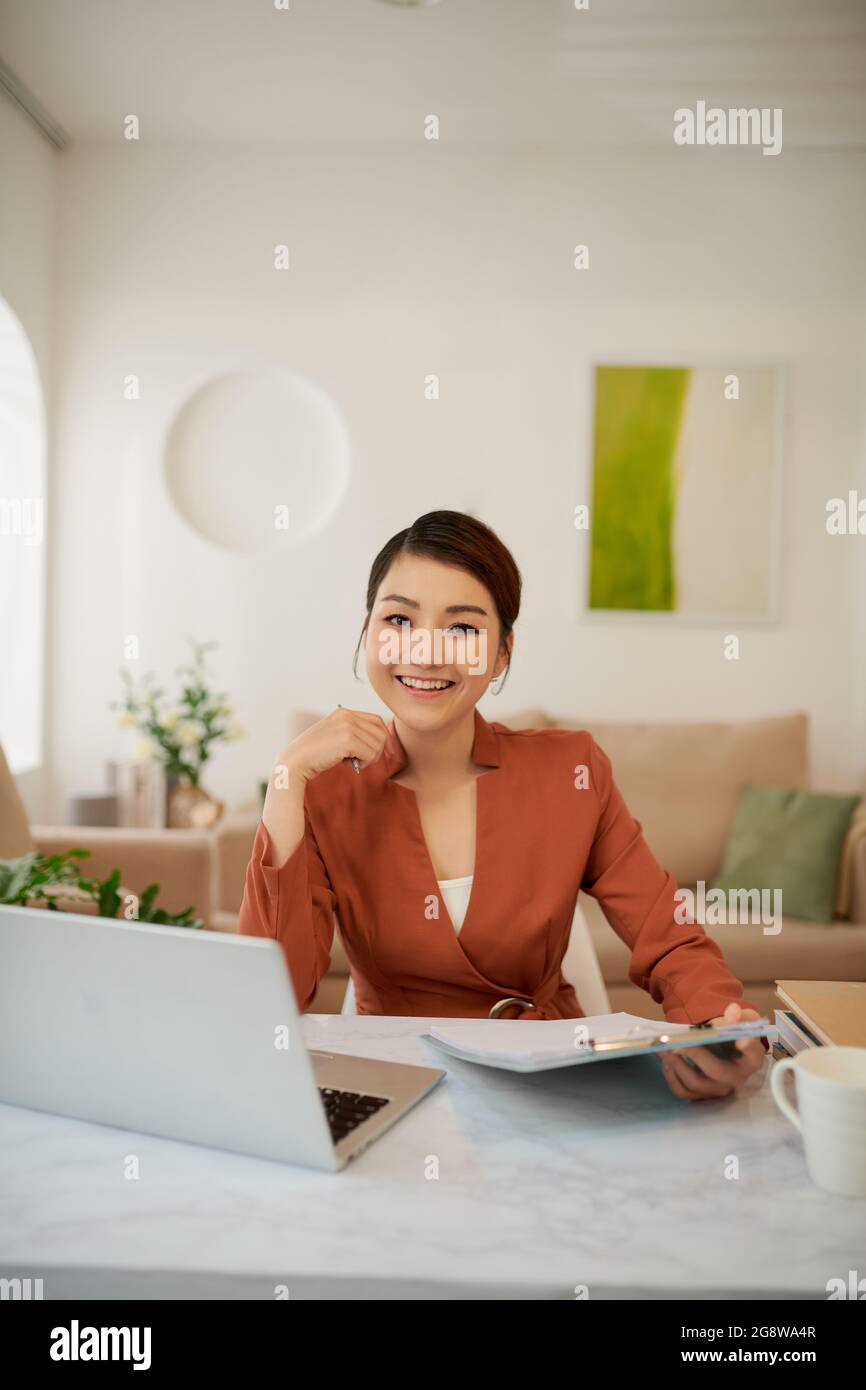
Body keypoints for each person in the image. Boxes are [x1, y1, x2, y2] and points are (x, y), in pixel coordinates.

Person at [239, 509, 767, 1100]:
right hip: (392, 1082)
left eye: (462, 629)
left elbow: (665, 935)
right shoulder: (325, 789)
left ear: (501, 654)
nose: (427, 651)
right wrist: (285, 780)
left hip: (546, 1082)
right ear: (369, 635)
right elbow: (271, 999)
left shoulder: (571, 770)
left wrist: (718, 1026)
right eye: (398, 619)